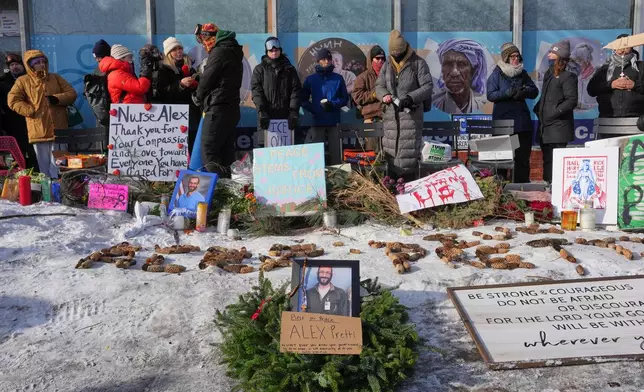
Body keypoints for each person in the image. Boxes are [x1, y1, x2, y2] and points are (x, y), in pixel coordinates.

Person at [7, 50, 78, 178]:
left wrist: (57, 98)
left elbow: (71, 93)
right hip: (39, 129)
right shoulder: (23, 81)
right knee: (44, 167)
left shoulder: (55, 78)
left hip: (59, 130)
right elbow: (13, 100)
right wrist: (29, 111)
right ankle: (48, 193)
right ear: (31, 65)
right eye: (38, 62)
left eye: (43, 61)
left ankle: (62, 190)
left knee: (60, 165)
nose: (42, 64)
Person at [375, 30, 433, 175]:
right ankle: (392, 188)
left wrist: (410, 98)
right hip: (390, 118)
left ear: (404, 48)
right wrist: (384, 95)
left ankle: (408, 185)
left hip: (410, 117)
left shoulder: (418, 63)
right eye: (392, 52)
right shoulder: (387, 65)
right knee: (390, 153)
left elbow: (428, 86)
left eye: (398, 52)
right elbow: (379, 86)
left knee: (408, 155)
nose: (395, 55)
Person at [194, 23, 244, 178]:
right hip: (231, 108)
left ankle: (216, 192)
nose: (204, 45)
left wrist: (198, 96)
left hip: (217, 107)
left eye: (204, 40)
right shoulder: (233, 51)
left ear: (212, 38)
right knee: (226, 152)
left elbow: (208, 78)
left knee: (208, 150)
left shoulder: (219, 51)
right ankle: (230, 190)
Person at [486, 42, 539, 183]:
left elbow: (534, 91)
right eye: (512, 56)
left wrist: (524, 91)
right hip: (503, 123)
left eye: (517, 56)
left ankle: (521, 188)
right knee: (501, 159)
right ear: (506, 58)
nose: (515, 59)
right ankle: (500, 190)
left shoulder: (523, 73)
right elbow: (491, 95)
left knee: (522, 158)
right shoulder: (496, 74)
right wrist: (507, 92)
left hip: (522, 123)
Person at [533, 40, 578, 183]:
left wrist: (554, 112)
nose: (549, 53)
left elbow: (571, 100)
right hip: (545, 126)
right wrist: (539, 110)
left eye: (553, 52)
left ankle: (556, 190)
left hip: (559, 127)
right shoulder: (549, 73)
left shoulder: (568, 76)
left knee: (556, 162)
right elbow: (545, 96)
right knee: (547, 159)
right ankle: (548, 189)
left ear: (559, 55)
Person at [587, 39, 644, 139]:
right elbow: (591, 89)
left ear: (632, 47)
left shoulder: (640, 67)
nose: (622, 50)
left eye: (626, 47)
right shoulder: (604, 69)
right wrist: (611, 85)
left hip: (636, 121)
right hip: (608, 119)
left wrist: (634, 85)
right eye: (619, 47)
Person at [157, 37, 201, 152]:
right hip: (174, 115)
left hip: (192, 113)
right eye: (174, 49)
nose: (178, 52)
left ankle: (192, 168)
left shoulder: (190, 67)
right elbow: (163, 93)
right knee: (177, 147)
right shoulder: (163, 69)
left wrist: (196, 84)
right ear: (168, 53)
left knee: (193, 142)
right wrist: (180, 84)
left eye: (180, 48)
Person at [251, 36, 301, 132]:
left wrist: (293, 111)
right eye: (271, 51)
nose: (274, 53)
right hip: (267, 118)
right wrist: (262, 111)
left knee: (288, 147)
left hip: (286, 117)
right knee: (265, 145)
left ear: (280, 51)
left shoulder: (289, 69)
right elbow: (256, 91)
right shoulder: (259, 69)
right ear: (267, 52)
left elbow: (296, 90)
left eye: (276, 50)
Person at [300, 48, 349, 144]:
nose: (326, 61)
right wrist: (314, 109)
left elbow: (345, 98)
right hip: (317, 121)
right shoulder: (311, 79)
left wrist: (333, 104)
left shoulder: (338, 78)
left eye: (328, 59)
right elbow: (303, 99)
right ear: (318, 61)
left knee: (336, 152)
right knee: (317, 154)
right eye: (323, 59)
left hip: (334, 121)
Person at [0, 53, 38, 170]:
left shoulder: (32, 78)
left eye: (17, 64)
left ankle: (35, 173)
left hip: (32, 120)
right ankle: (21, 176)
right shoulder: (3, 82)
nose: (14, 67)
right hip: (12, 123)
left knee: (34, 152)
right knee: (17, 152)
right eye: (12, 65)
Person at [433, 39, 488, 114]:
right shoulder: (433, 103)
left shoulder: (485, 104)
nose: (454, 72)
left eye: (462, 65)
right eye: (448, 64)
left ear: (473, 70)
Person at [352, 45, 386, 152]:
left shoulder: (389, 76)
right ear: (371, 60)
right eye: (377, 58)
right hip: (371, 119)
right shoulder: (363, 77)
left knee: (388, 152)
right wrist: (374, 95)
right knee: (372, 152)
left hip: (388, 119)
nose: (380, 61)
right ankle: (370, 170)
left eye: (383, 58)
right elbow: (357, 96)